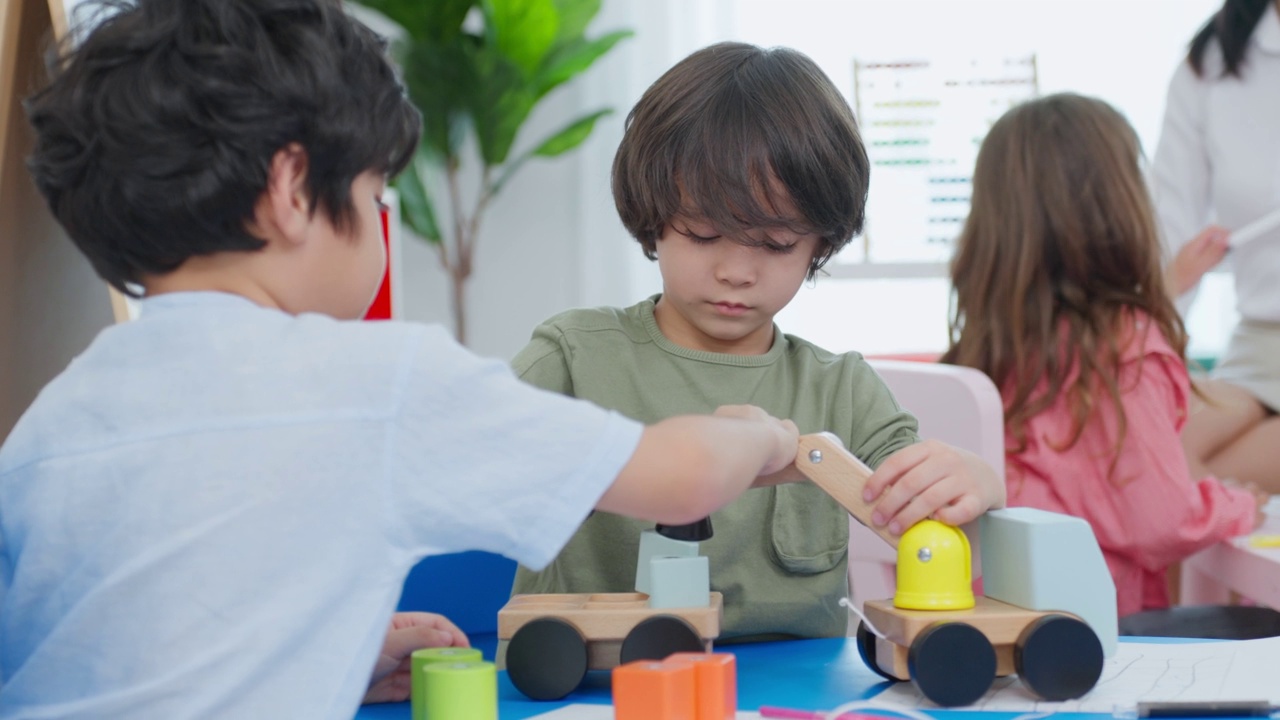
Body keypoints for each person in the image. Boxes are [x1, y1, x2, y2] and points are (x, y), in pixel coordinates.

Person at [0, 2, 802, 718]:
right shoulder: (376, 383)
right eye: (374, 193)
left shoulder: (56, 414)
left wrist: (324, 644)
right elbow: (681, 476)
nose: (379, 219)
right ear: (292, 186)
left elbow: (120, 646)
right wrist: (760, 435)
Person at [508, 42, 1006, 642]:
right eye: (703, 233)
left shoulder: (840, 390)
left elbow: (943, 539)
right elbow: (479, 485)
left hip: (796, 694)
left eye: (775, 244)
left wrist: (974, 489)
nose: (736, 272)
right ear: (653, 214)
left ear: (819, 243)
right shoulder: (573, 359)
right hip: (599, 686)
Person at [941, 93, 1266, 618]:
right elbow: (1161, 523)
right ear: (1120, 207)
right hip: (1097, 636)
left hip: (989, 621)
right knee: (1255, 623)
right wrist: (1237, 504)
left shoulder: (989, 343)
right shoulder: (1123, 344)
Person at [1152, 0, 1280, 494]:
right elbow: (1171, 233)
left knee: (1179, 481)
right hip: (1259, 351)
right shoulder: (1210, 65)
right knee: (1156, 456)